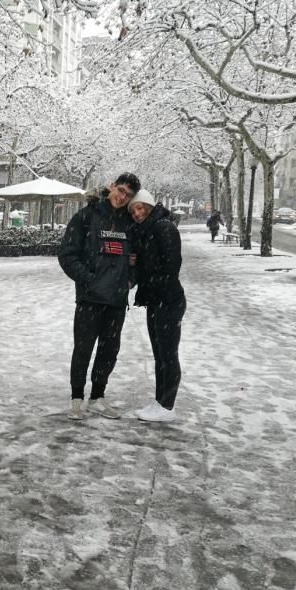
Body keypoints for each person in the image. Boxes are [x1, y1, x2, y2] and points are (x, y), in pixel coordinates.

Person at [58, 172, 141, 420]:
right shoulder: (86, 216)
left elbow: (138, 257)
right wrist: (89, 279)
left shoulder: (130, 223)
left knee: (109, 351)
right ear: (111, 186)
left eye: (128, 195)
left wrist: (130, 279)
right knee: (82, 350)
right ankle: (76, 399)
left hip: (116, 301)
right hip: (89, 299)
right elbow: (67, 255)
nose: (122, 197)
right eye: (121, 190)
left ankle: (97, 397)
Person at [129, 189, 186, 422]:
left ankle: (167, 406)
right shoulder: (147, 231)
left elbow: (172, 265)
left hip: (168, 299)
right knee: (159, 354)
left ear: (150, 207)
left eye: (140, 208)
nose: (137, 213)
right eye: (133, 210)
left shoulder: (164, 227)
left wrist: (148, 276)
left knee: (168, 354)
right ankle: (160, 400)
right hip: (156, 300)